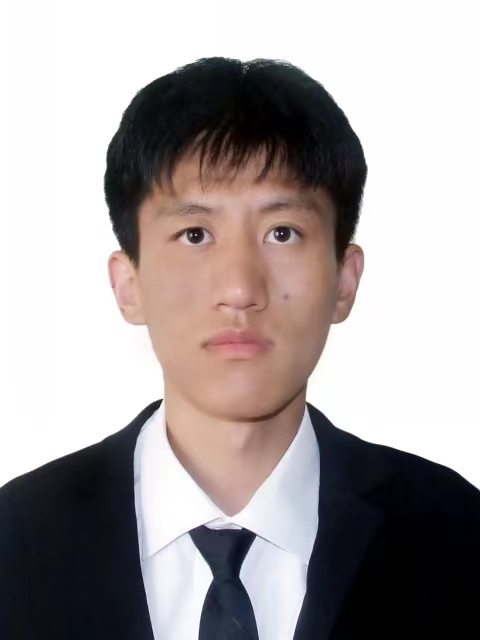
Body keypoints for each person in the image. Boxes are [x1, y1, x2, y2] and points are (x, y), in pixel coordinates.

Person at [1, 56, 479, 640]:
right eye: (195, 234)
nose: (239, 288)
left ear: (345, 280)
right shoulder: (16, 540)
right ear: (128, 285)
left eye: (283, 233)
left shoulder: (456, 536)